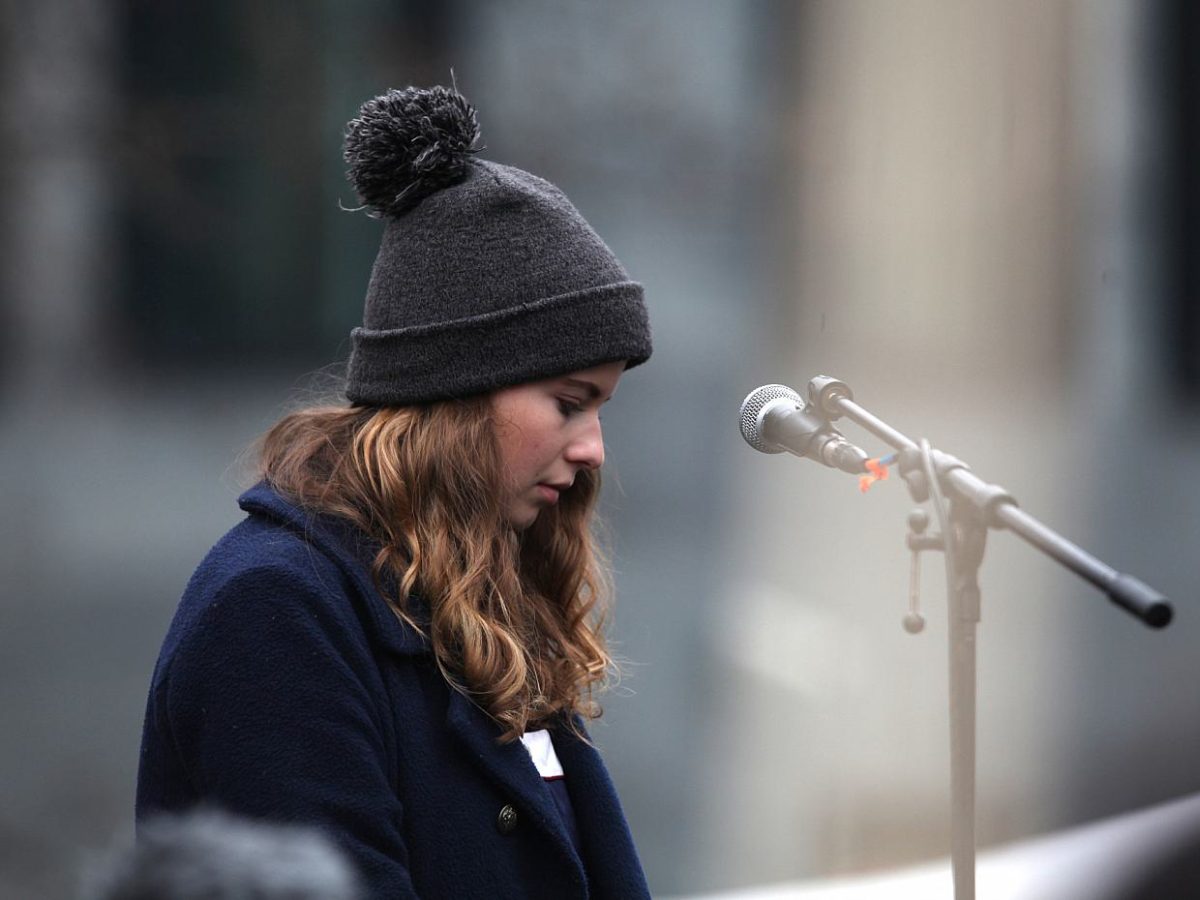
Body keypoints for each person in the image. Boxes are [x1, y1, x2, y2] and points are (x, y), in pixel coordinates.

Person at [135, 85, 653, 900]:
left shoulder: (469, 598)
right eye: (568, 401)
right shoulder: (276, 609)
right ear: (458, 393)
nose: (591, 449)